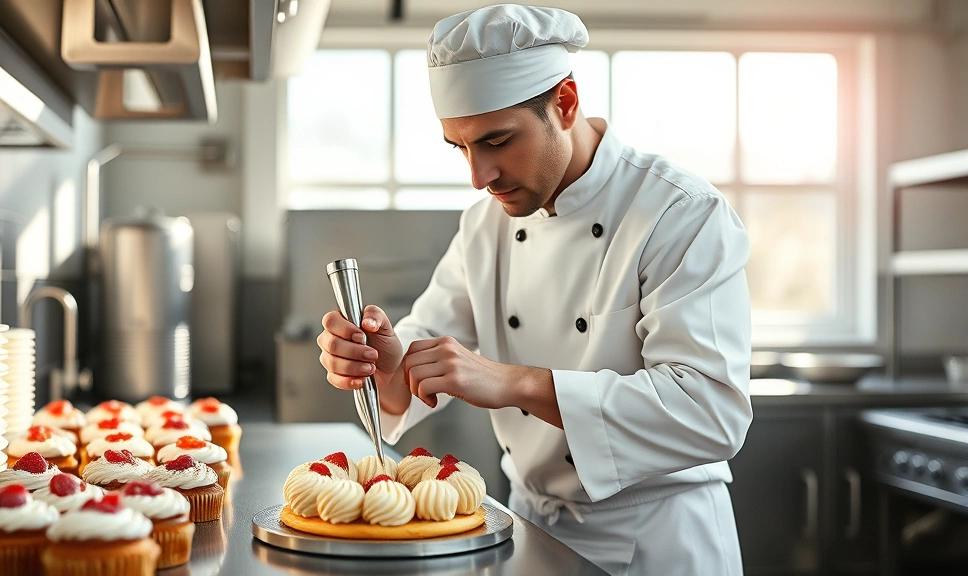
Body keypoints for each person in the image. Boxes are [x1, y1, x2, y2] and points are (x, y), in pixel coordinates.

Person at [317, 5, 751, 575]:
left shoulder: (679, 214)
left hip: (656, 542)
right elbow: (419, 368)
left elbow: (710, 412)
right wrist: (387, 364)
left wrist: (512, 382)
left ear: (565, 103)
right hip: (528, 531)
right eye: (460, 147)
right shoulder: (483, 226)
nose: (479, 175)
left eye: (497, 141)